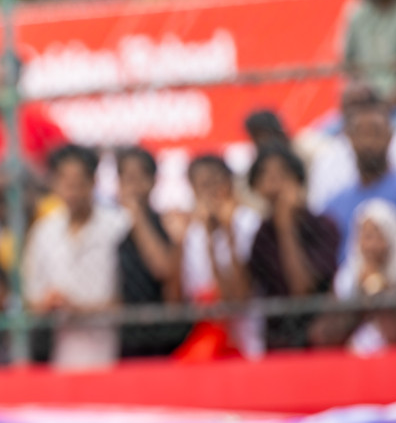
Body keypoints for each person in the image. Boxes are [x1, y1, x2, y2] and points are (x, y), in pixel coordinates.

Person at [22, 144, 127, 369]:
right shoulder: (44, 232)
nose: (72, 192)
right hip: (59, 353)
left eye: (78, 183)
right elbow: (30, 296)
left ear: (92, 182)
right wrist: (48, 303)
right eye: (65, 183)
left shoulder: (119, 226)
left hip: (112, 348)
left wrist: (81, 309)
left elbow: (129, 296)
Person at [246, 147, 340, 351]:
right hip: (279, 341)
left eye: (281, 175)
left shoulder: (323, 226)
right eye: (265, 176)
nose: (274, 184)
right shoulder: (261, 236)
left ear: (298, 181)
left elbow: (301, 289)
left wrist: (286, 227)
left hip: (320, 339)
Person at [175, 154, 263, 359]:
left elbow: (239, 294)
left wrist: (228, 231)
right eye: (202, 186)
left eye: (215, 183)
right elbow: (186, 296)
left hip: (249, 340)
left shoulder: (249, 223)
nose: (210, 194)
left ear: (228, 185)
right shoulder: (192, 233)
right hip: (210, 342)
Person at [115, 147, 185, 359]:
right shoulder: (114, 227)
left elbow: (162, 268)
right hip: (127, 335)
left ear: (153, 180)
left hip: (164, 335)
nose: (132, 185)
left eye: (137, 177)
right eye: (125, 178)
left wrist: (137, 215)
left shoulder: (166, 223)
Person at [317, 199, 396, 353]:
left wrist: (378, 290)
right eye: (366, 237)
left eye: (378, 236)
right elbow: (323, 336)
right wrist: (358, 297)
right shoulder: (345, 279)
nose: (371, 247)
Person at [322, 100, 396, 261]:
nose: (368, 142)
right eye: (361, 133)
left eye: (376, 133)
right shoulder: (334, 204)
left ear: (390, 136)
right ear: (350, 138)